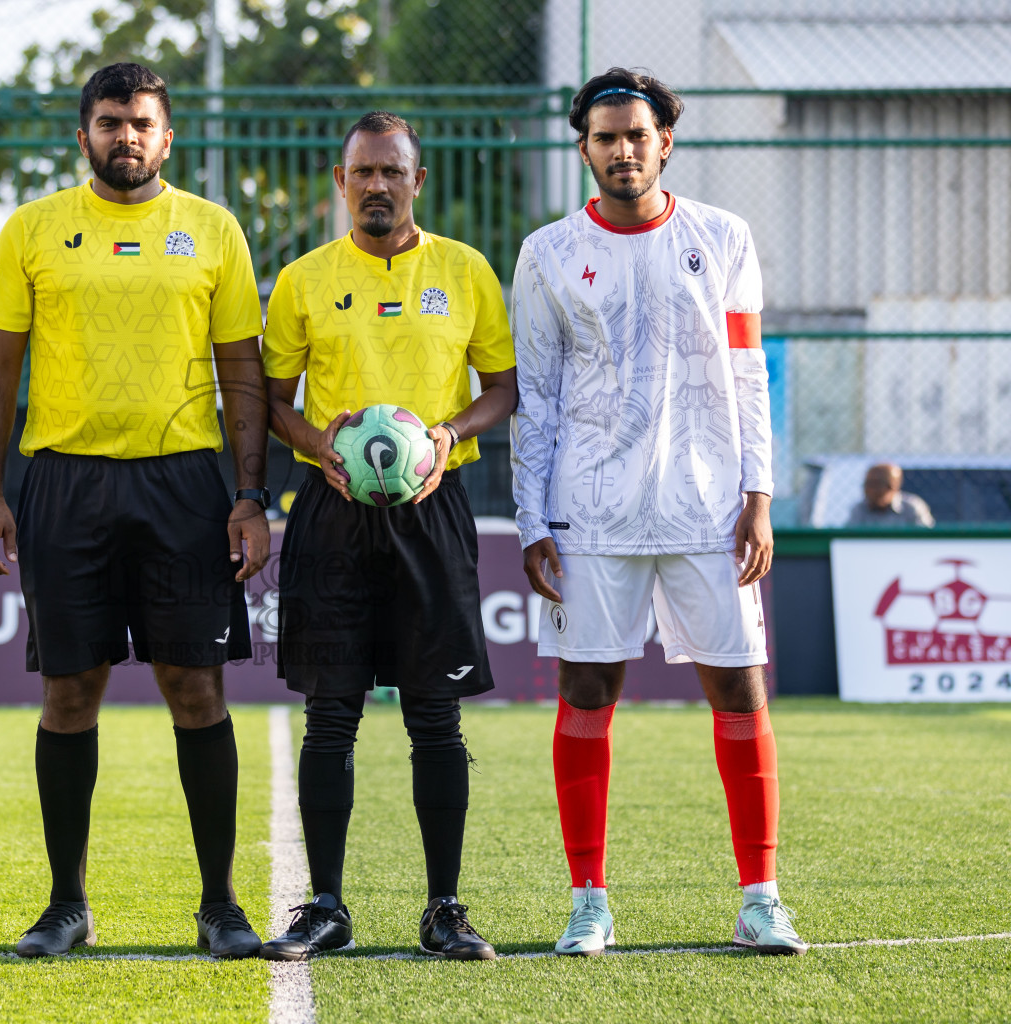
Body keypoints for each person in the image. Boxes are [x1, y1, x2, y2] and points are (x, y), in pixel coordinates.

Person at [0, 62, 270, 960]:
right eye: (110, 122)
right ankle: (67, 903)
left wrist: (251, 495)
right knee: (69, 692)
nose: (126, 137)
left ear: (166, 138)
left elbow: (244, 373)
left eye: (142, 123)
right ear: (84, 136)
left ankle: (219, 904)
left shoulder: (213, 231)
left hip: (185, 485)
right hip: (64, 483)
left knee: (195, 687)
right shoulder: (33, 229)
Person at [509, 68, 806, 956]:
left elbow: (749, 373)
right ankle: (588, 900)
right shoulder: (547, 253)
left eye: (638, 135)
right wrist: (532, 519)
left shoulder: (723, 236)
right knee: (588, 691)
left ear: (664, 141)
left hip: (708, 509)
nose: (624, 150)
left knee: (739, 688)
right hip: (592, 511)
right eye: (606, 137)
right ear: (585, 148)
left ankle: (761, 895)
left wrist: (758, 496)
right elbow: (536, 393)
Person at [260, 111, 518, 961]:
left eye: (392, 172)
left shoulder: (465, 271)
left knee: (434, 715)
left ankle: (445, 907)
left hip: (432, 508)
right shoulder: (302, 280)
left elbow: (503, 388)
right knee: (329, 715)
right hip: (332, 510)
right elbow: (274, 402)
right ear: (342, 183)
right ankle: (326, 906)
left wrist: (447, 434)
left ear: (417, 180)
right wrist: (317, 447)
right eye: (362, 173)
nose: (377, 185)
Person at [845, 463, 934, 527]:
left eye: (874, 484)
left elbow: (926, 540)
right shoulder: (859, 510)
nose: (868, 489)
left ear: (892, 486)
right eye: (867, 484)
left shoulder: (912, 508)